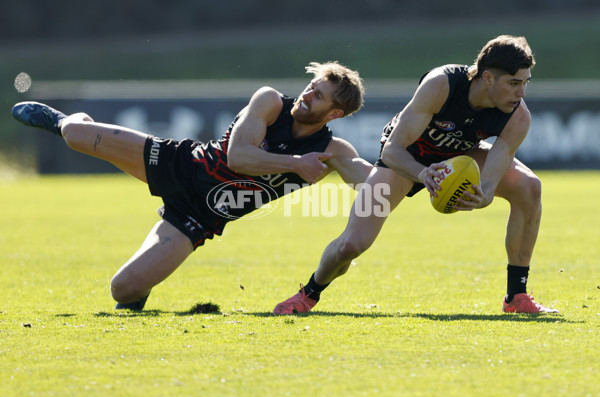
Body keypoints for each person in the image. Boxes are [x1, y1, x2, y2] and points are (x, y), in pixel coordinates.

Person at [12, 61, 372, 311]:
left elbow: (370, 178)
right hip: (180, 164)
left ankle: (144, 282)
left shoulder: (331, 151)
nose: (307, 94)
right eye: (311, 86)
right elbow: (238, 157)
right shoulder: (271, 102)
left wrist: (416, 176)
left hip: (200, 217)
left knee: (122, 290)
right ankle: (68, 120)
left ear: (334, 114)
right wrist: (295, 164)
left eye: (318, 96)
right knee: (75, 135)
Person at [274, 35, 560, 315]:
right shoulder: (442, 84)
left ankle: (517, 296)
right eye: (514, 83)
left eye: (525, 83)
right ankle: (308, 293)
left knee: (529, 187)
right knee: (352, 244)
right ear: (487, 78)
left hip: (461, 154)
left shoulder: (518, 116)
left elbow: (497, 165)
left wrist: (483, 195)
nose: (521, 93)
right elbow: (392, 151)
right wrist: (423, 174)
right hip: (408, 156)